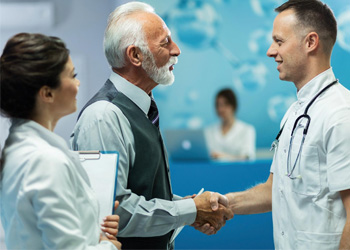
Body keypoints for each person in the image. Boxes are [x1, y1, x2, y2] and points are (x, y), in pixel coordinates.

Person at [70, 2, 233, 250]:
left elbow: (141, 194)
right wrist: (189, 210)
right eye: (165, 42)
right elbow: (115, 211)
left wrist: (189, 208)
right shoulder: (104, 116)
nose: (177, 50)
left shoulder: (142, 108)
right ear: (135, 55)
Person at [208, 0, 350, 249]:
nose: (270, 51)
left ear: (310, 42)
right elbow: (275, 189)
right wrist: (222, 203)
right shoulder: (294, 114)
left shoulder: (341, 114)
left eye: (279, 41)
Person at [0, 33, 121, 250]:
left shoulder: (19, 150)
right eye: (72, 75)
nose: (78, 82)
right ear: (47, 93)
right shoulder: (46, 160)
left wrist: (91, 221)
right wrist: (108, 247)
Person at [205, 88, 256, 160]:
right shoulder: (209, 131)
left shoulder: (247, 130)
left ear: (233, 106)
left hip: (238, 170)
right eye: (218, 105)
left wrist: (222, 157)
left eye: (225, 104)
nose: (221, 109)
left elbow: (247, 157)